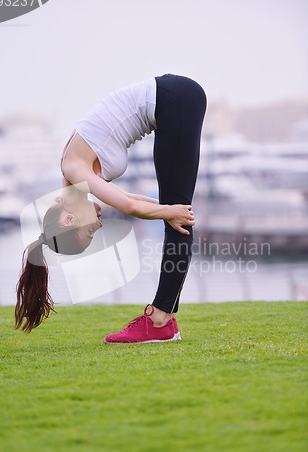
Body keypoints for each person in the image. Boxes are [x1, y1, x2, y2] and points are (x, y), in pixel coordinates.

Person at [15, 73, 207, 342]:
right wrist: (168, 209)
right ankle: (166, 319)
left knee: (178, 219)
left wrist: (171, 211)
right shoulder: (75, 179)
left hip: (172, 100)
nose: (98, 226)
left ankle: (159, 319)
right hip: (173, 99)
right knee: (175, 213)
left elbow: (128, 205)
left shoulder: (74, 169)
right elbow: (131, 198)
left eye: (89, 233)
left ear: (70, 220)